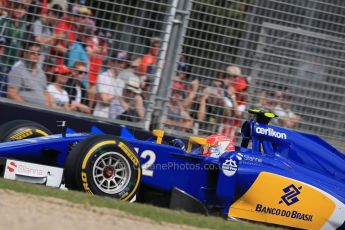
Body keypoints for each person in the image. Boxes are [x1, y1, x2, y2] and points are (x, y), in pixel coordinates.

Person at [7, 42, 50, 106]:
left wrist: (47, 108)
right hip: (24, 111)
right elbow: (11, 94)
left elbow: (45, 94)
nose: (36, 55)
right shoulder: (17, 70)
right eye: (32, 53)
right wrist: (27, 108)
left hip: (42, 111)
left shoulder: (41, 73)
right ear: (25, 54)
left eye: (38, 53)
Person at [93, 51, 128, 118]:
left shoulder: (121, 82)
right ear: (112, 62)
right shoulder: (103, 76)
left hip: (115, 119)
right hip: (101, 117)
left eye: (124, 63)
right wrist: (118, 99)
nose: (122, 65)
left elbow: (125, 106)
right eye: (119, 62)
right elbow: (104, 100)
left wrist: (116, 99)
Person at [0, 0, 27, 67]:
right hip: (2, 58)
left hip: (15, 60)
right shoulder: (4, 20)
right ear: (12, 8)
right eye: (16, 8)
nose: (19, 11)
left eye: (22, 9)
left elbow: (22, 43)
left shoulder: (24, 24)